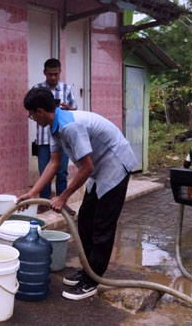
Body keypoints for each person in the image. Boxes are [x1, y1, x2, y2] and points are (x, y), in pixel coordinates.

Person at [18, 87, 136, 301]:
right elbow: (54, 163)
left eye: (31, 114)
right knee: (85, 220)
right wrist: (33, 192)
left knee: (102, 225)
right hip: (100, 166)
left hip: (115, 163)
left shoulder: (69, 126)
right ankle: (88, 270)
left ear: (40, 111)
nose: (32, 118)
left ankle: (93, 281)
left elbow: (86, 168)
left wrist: (62, 197)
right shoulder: (54, 127)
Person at [31, 58, 77, 212]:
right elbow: (31, 111)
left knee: (62, 172)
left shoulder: (67, 89)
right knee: (44, 171)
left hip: (61, 137)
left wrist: (67, 108)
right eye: (50, 74)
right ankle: (43, 202)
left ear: (60, 73)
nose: (52, 77)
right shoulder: (37, 89)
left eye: (55, 74)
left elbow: (75, 111)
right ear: (44, 72)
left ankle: (61, 201)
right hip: (43, 138)